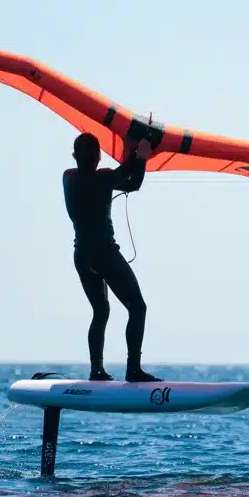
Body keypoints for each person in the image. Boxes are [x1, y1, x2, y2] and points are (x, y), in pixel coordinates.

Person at [63, 132, 161, 383]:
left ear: (74, 156)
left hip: (82, 256)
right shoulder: (104, 178)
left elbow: (122, 179)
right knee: (137, 307)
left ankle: (96, 371)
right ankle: (133, 369)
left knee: (100, 311)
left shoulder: (68, 178)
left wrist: (133, 154)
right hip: (104, 254)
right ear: (98, 157)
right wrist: (142, 154)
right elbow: (132, 181)